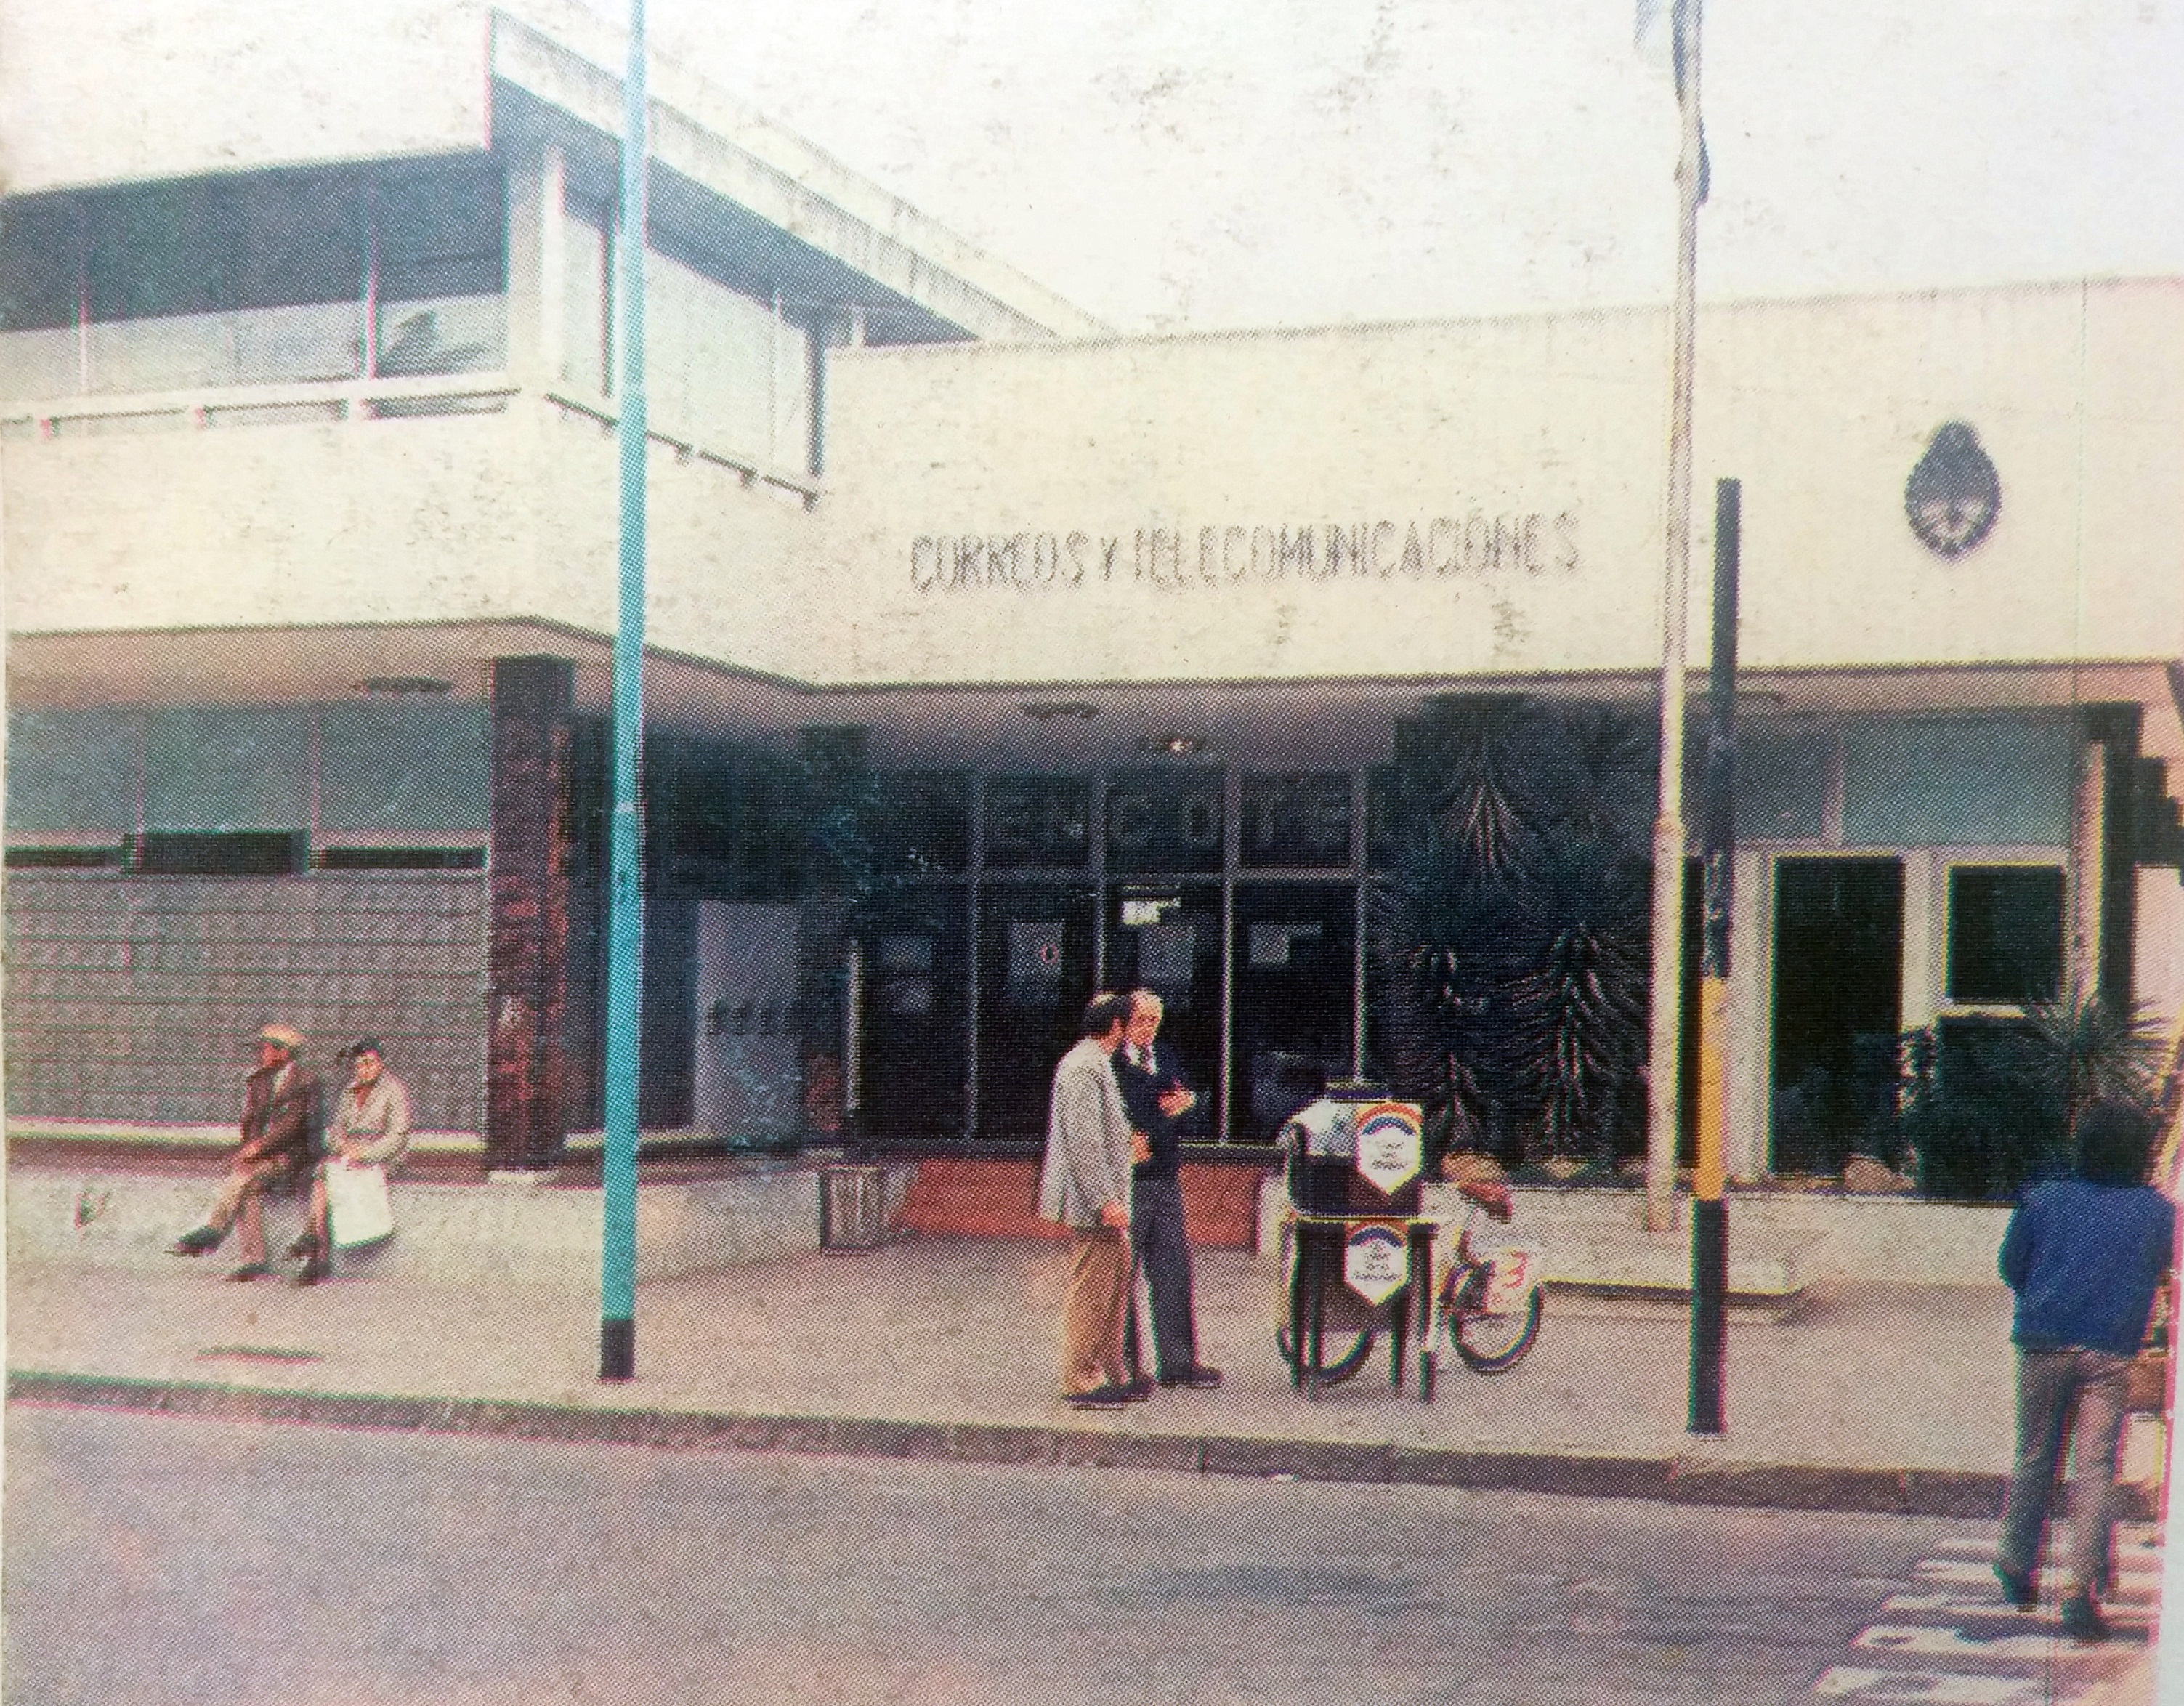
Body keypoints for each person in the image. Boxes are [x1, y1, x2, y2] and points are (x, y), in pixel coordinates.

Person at [1994, 1099, 2175, 1641]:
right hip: (2111, 1349)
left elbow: (2011, 1266)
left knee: (2034, 1457)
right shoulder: (2157, 1211)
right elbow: (2167, 1266)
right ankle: (2080, 1590)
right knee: (2095, 1468)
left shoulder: (2043, 1198)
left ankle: (2016, 1563)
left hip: (2044, 1341)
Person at [1036, 992, 1147, 1410]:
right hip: (1095, 1202)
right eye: (1128, 1024)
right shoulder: (1084, 1066)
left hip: (1107, 1197)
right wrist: (1104, 1200)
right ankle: (1080, 1378)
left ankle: (1108, 1370)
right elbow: (1084, 1140)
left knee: (1115, 1283)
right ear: (1117, 1026)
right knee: (1093, 1288)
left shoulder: (1094, 1063)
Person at [1115, 990, 1221, 1389]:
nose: (1149, 1029)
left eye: (1155, 1021)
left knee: (1174, 1269)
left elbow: (1185, 1100)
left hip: (1165, 1173)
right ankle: (1123, 1365)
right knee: (1122, 1273)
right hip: (1130, 1178)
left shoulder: (1167, 1056)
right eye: (1141, 1021)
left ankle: (1179, 1363)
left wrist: (1189, 1103)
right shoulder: (1112, 1063)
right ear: (1124, 1023)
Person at [168, 1024, 320, 1282]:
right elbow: (250, 1122)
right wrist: (248, 1149)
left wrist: (258, 1148)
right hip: (261, 1160)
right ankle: (255, 1262)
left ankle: (214, 1229)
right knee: (248, 1184)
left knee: (245, 1174)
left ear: (283, 1053)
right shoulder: (259, 1081)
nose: (261, 1054)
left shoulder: (306, 1082)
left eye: (265, 1049)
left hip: (294, 1157)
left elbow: (292, 1125)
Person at [290, 1038, 413, 1285]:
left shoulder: (394, 1090)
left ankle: (315, 1249)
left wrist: (365, 1154)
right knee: (322, 1175)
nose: (365, 1070)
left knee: (325, 1177)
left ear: (380, 1063)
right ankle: (314, 1248)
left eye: (370, 1063)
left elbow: (397, 1137)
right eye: (359, 1065)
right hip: (349, 1156)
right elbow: (335, 1131)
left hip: (381, 1157)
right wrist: (344, 1148)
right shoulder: (350, 1090)